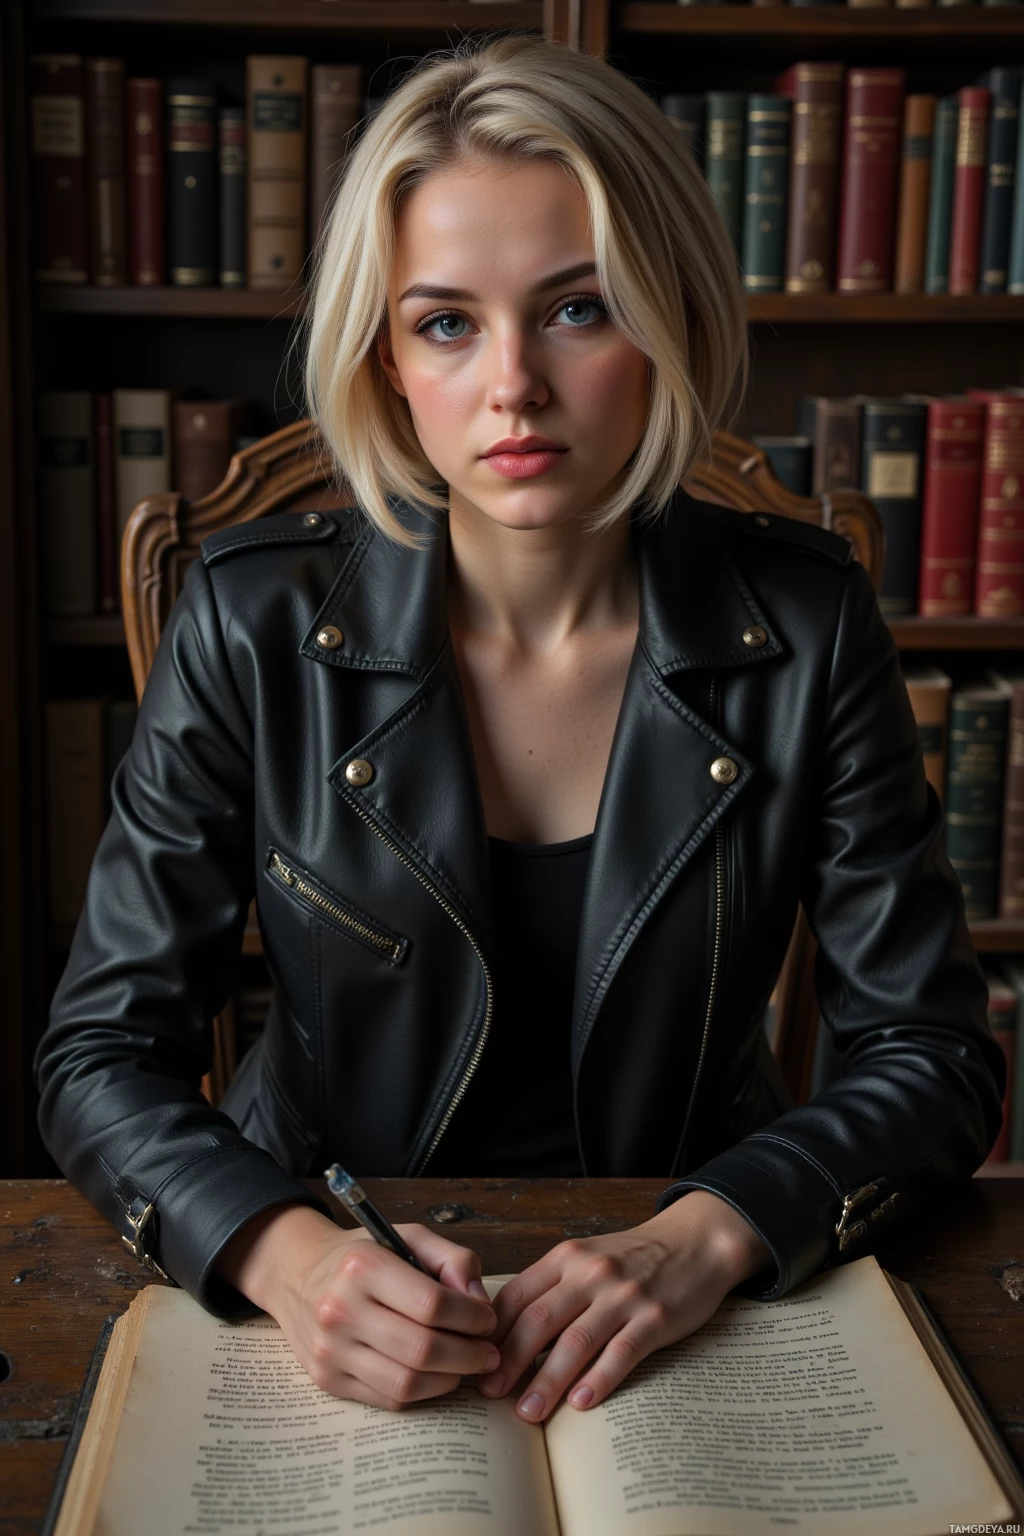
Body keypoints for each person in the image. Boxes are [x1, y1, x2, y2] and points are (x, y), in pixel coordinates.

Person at [36, 34, 1004, 1432]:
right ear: (385, 357)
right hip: (338, 1295)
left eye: (575, 309)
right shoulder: (249, 621)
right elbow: (99, 1053)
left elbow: (936, 1056)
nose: (512, 389)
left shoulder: (808, 622)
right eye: (446, 322)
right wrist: (285, 1254)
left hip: (690, 1316)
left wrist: (711, 1233)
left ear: (665, 312)